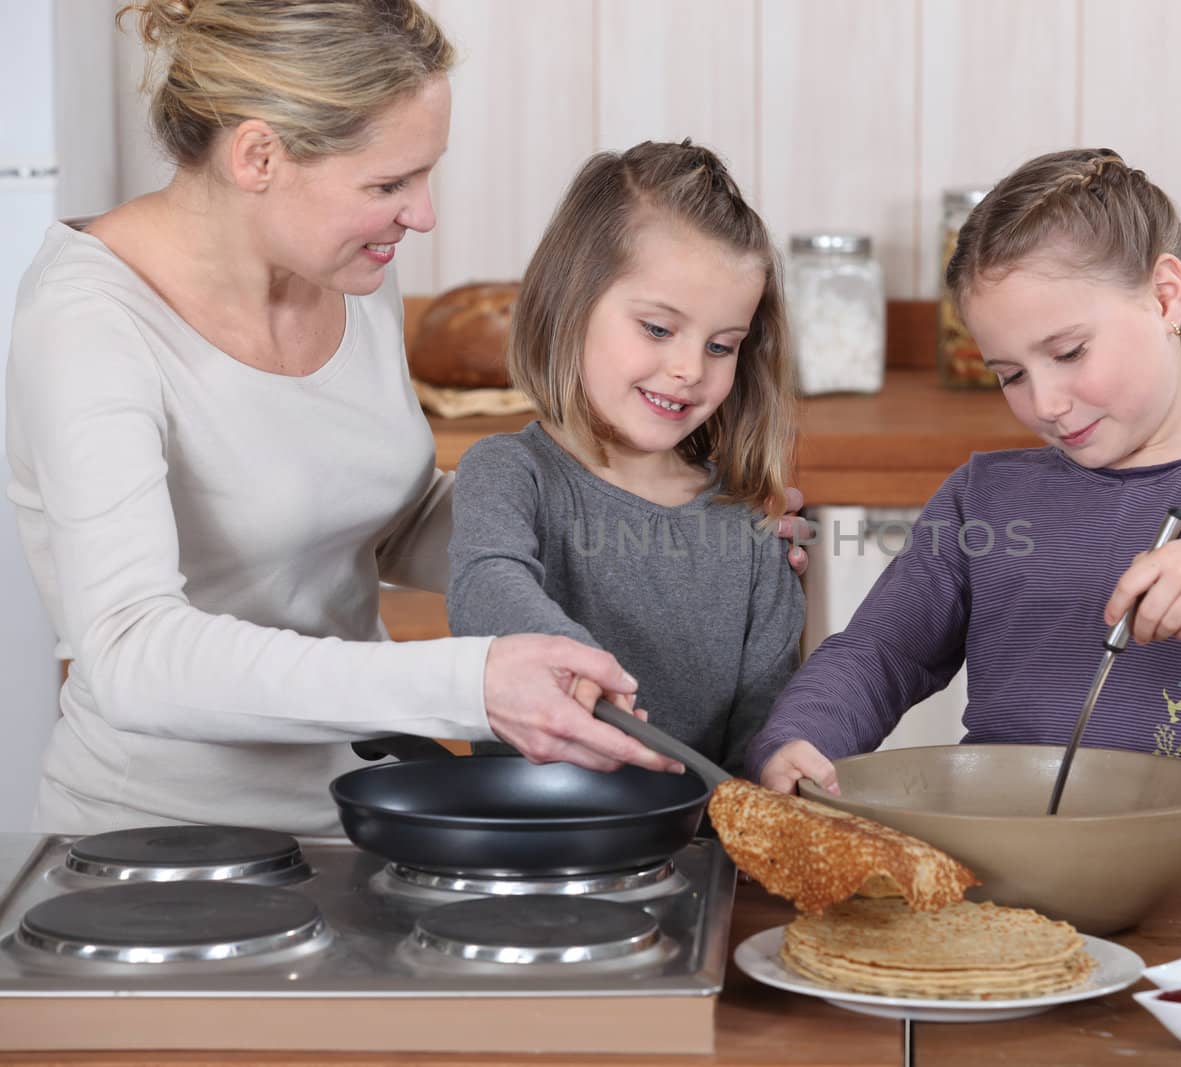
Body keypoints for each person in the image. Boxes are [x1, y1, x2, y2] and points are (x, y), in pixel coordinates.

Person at [3, 0, 806, 836]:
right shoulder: (88, 323)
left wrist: (671, 534)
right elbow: (133, 653)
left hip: (367, 806)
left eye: (425, 175)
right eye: (389, 183)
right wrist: (471, 682)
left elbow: (389, 516)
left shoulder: (347, 272)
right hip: (162, 841)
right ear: (258, 156)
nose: (422, 215)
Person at [747, 148, 1181, 881]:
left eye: (1069, 351)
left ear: (1165, 296)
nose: (1043, 402)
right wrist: (801, 735)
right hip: (1000, 891)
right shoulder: (985, 497)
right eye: (1010, 374)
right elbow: (881, 653)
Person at [447, 141, 805, 778]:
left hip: (696, 850)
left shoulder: (752, 527)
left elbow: (765, 723)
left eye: (722, 346)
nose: (689, 369)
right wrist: (585, 669)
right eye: (659, 329)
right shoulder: (508, 472)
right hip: (535, 852)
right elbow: (485, 583)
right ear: (570, 304)